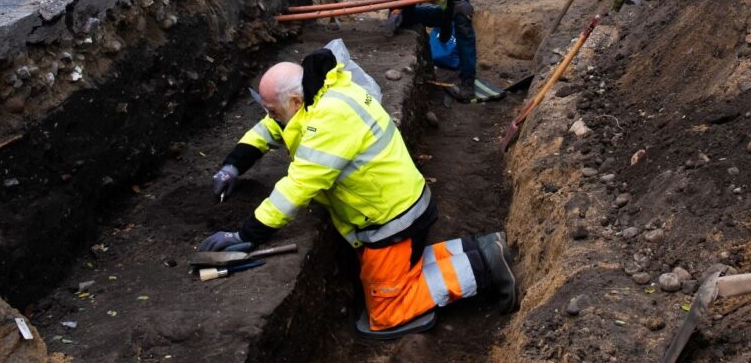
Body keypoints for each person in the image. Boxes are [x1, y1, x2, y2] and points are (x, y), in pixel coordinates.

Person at [203, 50, 518, 336]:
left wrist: (247, 234)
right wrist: (233, 165)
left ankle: (484, 268)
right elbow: (269, 129)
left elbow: (297, 186)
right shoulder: (320, 91)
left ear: (295, 102)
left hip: (391, 222)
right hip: (399, 208)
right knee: (402, 270)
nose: (270, 117)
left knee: (385, 314)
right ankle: (480, 248)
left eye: (272, 110)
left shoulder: (329, 120)